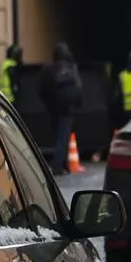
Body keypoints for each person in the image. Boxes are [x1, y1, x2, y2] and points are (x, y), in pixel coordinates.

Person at [40, 42, 83, 175]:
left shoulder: (47, 70)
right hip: (67, 108)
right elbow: (78, 87)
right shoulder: (72, 68)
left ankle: (62, 164)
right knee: (63, 137)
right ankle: (58, 165)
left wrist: (48, 103)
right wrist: (78, 103)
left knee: (57, 135)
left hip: (53, 108)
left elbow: (41, 90)